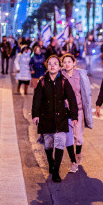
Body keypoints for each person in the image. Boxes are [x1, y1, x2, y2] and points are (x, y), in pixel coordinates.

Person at [32, 55, 78, 183]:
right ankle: (51, 162)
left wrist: (74, 116)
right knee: (48, 144)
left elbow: (72, 99)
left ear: (59, 67)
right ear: (47, 65)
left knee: (60, 142)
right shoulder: (42, 81)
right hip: (45, 118)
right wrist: (35, 115)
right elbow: (36, 100)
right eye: (50, 63)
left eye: (55, 64)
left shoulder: (63, 81)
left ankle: (56, 171)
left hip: (61, 118)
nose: (52, 65)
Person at [61, 54, 94, 172]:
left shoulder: (81, 75)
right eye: (64, 62)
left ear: (74, 63)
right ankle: (73, 161)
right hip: (65, 111)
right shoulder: (60, 76)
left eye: (69, 61)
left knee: (78, 137)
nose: (67, 64)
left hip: (79, 110)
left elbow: (86, 93)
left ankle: (78, 155)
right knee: (68, 138)